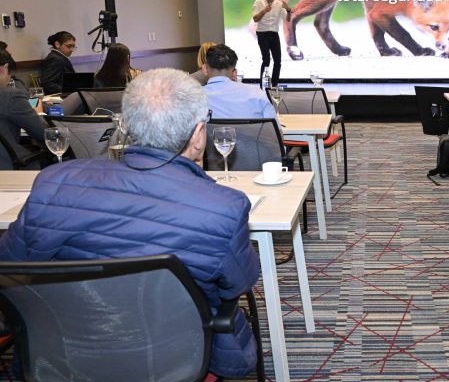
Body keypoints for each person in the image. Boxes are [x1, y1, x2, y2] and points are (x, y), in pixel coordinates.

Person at [0, 68, 262, 378]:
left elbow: (10, 265)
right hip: (176, 357)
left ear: (126, 126)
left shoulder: (55, 182)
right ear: (198, 134)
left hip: (62, 354)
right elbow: (240, 282)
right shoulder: (223, 206)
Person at [0, 49, 47, 169]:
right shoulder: (10, 95)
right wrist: (38, 113)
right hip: (11, 167)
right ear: (4, 68)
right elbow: (42, 133)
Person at [204, 44, 276, 119]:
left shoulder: (196, 97)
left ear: (205, 68)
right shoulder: (257, 94)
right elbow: (274, 125)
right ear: (234, 72)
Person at [252, 0, 292, 87]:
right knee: (266, 60)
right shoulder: (258, 3)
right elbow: (255, 19)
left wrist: (288, 10)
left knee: (278, 61)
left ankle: (274, 85)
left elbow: (287, 20)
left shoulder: (279, 4)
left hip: (274, 33)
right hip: (262, 33)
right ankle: (262, 85)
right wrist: (264, 11)